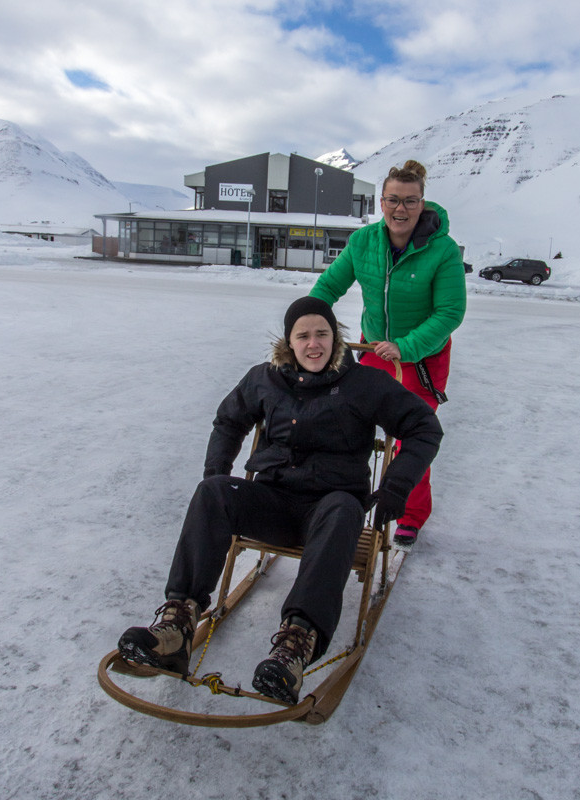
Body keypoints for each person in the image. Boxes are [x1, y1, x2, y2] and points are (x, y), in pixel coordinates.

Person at [117, 297, 442, 704]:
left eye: (322, 334)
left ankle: (296, 645)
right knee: (212, 492)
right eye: (303, 336)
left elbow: (424, 427)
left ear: (335, 337)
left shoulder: (366, 383)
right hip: (271, 503)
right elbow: (229, 421)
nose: (313, 344)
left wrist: (396, 486)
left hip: (329, 512)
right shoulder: (265, 378)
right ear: (289, 342)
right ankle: (178, 623)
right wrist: (217, 470)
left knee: (344, 508)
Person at [310, 160, 466, 548]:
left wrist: (406, 346)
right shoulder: (363, 242)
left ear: (422, 204)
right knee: (344, 425)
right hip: (375, 350)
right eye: (393, 199)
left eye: (410, 201)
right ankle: (334, 499)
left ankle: (409, 514)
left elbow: (450, 312)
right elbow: (328, 288)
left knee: (409, 437)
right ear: (381, 202)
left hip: (422, 359)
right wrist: (307, 324)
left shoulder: (443, 250)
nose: (401, 209)